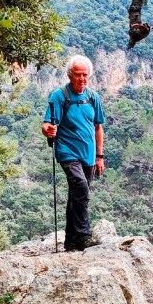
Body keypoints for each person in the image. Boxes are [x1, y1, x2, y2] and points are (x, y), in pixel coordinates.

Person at [41, 55, 106, 251]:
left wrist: (99, 157)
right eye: (77, 75)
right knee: (81, 188)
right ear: (70, 75)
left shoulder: (93, 98)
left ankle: (71, 242)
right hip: (67, 151)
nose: (81, 79)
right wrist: (48, 129)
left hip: (88, 154)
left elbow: (98, 128)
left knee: (76, 195)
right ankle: (84, 236)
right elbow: (46, 124)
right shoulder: (59, 96)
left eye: (85, 75)